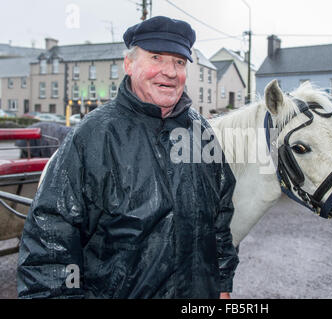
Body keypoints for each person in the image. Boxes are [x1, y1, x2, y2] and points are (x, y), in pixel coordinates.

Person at [17, 16, 239, 299]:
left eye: (179, 62)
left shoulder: (200, 132)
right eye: (156, 57)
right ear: (129, 64)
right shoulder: (94, 135)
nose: (170, 72)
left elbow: (220, 218)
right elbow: (51, 240)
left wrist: (222, 284)